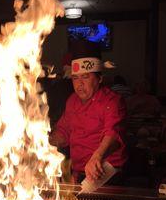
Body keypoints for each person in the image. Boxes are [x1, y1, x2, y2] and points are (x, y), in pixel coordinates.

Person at [50, 54, 127, 185]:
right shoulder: (72, 100)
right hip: (78, 172)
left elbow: (113, 134)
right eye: (75, 78)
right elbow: (63, 132)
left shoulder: (112, 100)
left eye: (85, 77)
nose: (79, 83)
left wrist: (97, 156)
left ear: (99, 78)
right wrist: (42, 141)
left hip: (107, 172)